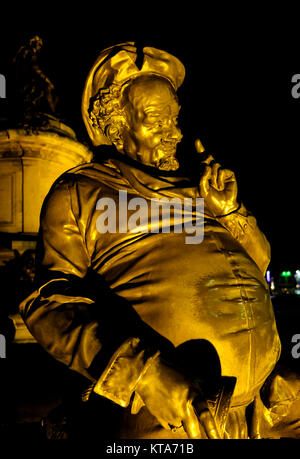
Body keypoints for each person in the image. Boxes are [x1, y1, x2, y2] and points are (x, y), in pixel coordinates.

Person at [20, 42, 281, 439]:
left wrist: (230, 211)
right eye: (156, 120)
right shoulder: (81, 191)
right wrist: (140, 371)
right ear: (115, 124)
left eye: (175, 119)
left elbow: (260, 264)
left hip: (260, 410)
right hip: (170, 417)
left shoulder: (200, 189)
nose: (174, 132)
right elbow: (48, 302)